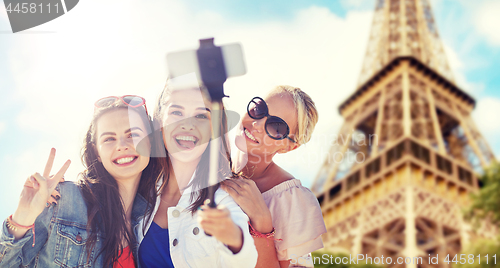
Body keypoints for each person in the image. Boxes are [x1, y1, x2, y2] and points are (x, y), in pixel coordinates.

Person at [0, 95, 161, 267]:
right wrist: (22, 217)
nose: (121, 145)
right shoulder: (63, 200)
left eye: (133, 134)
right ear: (97, 152)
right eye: (109, 139)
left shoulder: (152, 218)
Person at [137, 83, 258, 268]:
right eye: (177, 112)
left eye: (201, 115)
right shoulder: (141, 187)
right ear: (160, 121)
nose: (187, 125)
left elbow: (245, 260)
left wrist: (234, 238)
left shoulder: (223, 196)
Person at [221, 85, 327, 268]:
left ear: (289, 146)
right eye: (258, 109)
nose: (257, 123)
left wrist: (262, 221)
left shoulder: (291, 200)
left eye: (276, 126)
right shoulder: (208, 161)